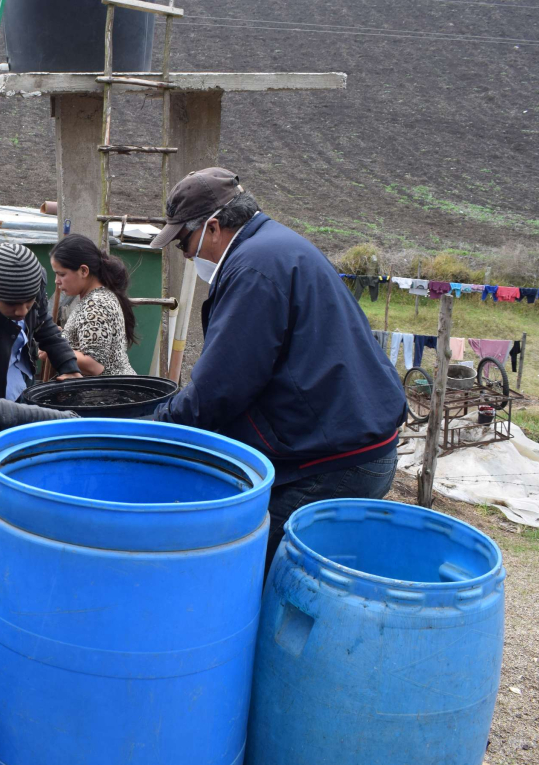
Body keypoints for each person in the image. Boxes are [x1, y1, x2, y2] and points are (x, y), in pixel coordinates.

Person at [149, 168, 406, 566]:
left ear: (214, 227)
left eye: (184, 241)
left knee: (255, 571)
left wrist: (156, 428)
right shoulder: (275, 247)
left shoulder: (253, 269)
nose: (183, 253)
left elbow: (222, 386)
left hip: (335, 461)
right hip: (359, 441)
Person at [0, 242, 81, 473]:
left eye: (28, 303)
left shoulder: (33, 291)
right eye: (11, 305)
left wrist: (68, 366)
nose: (21, 312)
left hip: (21, 397)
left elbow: (43, 325)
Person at [49, 234, 138, 377]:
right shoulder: (96, 297)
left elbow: (93, 366)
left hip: (109, 394)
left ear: (84, 271)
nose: (57, 281)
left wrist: (52, 347)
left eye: (62, 274)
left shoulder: (95, 305)